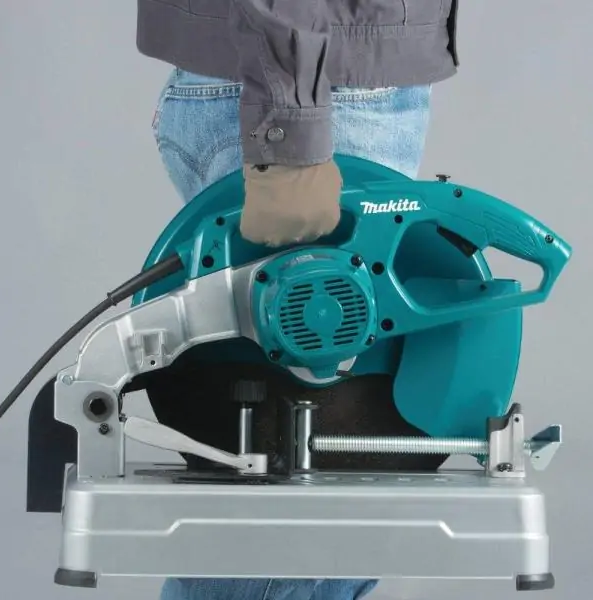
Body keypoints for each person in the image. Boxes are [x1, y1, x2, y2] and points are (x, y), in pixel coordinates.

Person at [136, 1, 459, 598]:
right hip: (316, 89)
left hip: (302, 76)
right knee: (291, 536)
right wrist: (290, 137)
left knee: (285, 527)